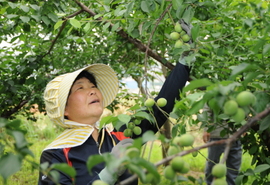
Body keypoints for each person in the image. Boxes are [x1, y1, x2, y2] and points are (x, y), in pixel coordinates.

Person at [38, 21, 194, 185]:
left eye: (93, 86)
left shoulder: (119, 135)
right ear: (65, 109)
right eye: (80, 88)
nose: (92, 90)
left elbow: (159, 109)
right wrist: (109, 173)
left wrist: (185, 60)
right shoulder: (56, 153)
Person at [202, 107, 242, 185]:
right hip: (217, 135)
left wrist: (244, 126)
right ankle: (210, 183)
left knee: (234, 168)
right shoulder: (214, 95)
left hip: (235, 135)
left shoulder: (237, 95)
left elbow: (243, 109)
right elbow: (207, 110)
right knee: (212, 165)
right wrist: (206, 128)